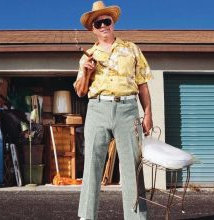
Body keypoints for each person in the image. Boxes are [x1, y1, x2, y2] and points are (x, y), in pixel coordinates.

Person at [74, 1, 153, 219]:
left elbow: (143, 84)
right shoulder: (87, 56)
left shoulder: (131, 49)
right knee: (91, 167)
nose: (103, 25)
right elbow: (80, 91)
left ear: (113, 22)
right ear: (93, 29)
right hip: (97, 109)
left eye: (106, 20)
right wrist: (87, 72)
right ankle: (87, 217)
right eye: (98, 23)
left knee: (132, 169)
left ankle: (136, 217)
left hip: (127, 109)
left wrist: (147, 114)